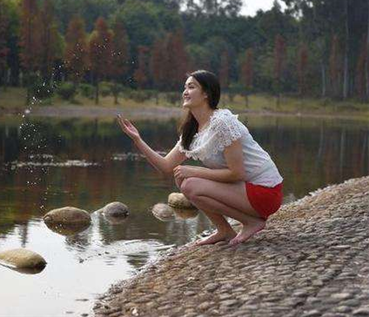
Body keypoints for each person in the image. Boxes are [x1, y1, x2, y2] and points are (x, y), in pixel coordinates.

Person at [117, 70, 283, 246]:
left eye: (191, 87)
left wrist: (195, 170)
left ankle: (252, 222)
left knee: (189, 182)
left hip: (266, 192)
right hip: (244, 191)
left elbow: (237, 173)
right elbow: (166, 167)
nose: (185, 92)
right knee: (181, 178)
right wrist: (137, 139)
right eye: (185, 87)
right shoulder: (193, 130)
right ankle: (224, 230)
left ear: (206, 93)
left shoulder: (222, 123)